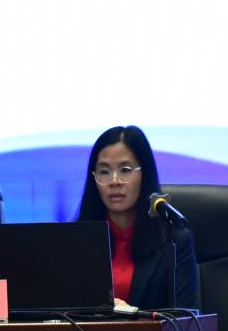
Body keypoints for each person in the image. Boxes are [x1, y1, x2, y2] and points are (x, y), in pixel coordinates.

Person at [74, 125, 198, 312]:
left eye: (125, 170)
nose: (114, 181)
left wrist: (130, 315)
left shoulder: (173, 241)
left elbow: (185, 319)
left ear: (144, 174)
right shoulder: (77, 241)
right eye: (104, 172)